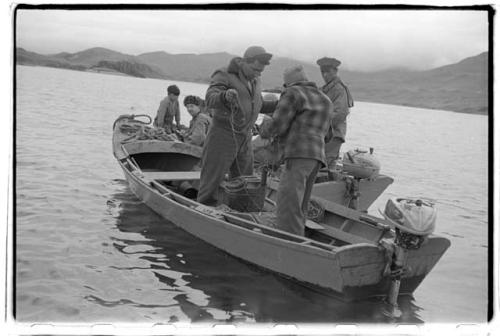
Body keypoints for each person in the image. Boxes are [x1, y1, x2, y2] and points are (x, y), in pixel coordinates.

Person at [197, 46, 278, 206]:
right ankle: (203, 209)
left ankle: (240, 211)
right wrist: (224, 96)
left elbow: (256, 105)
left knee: (245, 180)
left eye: (260, 71)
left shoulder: (255, 79)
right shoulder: (224, 74)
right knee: (212, 178)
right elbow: (210, 98)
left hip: (245, 137)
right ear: (244, 62)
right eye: (255, 69)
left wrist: (279, 104)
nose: (258, 73)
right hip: (223, 134)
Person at [259, 65, 334, 236]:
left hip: (298, 154)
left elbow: (278, 125)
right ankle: (298, 236)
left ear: (288, 84)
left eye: (285, 86)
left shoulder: (293, 93)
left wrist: (264, 128)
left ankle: (287, 242)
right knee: (301, 204)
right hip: (317, 158)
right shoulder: (325, 99)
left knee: (288, 202)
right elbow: (329, 135)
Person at [316, 57, 354, 168]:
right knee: (320, 164)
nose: (325, 75)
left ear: (335, 71)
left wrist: (319, 124)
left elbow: (341, 113)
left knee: (326, 164)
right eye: (323, 72)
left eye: (328, 72)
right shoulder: (324, 89)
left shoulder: (339, 89)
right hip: (322, 134)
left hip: (334, 134)